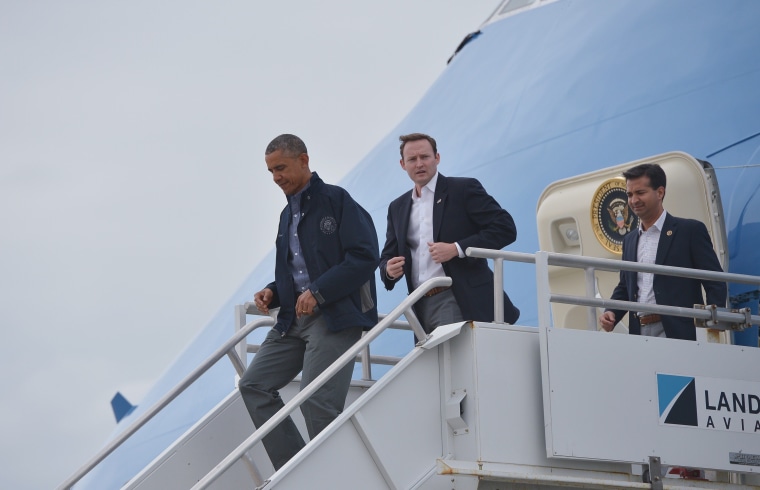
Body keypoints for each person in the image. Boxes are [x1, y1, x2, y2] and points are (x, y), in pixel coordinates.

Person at [238, 134, 379, 470]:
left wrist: (319, 292)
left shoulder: (337, 200)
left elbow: (365, 256)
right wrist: (273, 289)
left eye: (281, 168)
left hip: (336, 316)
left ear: (304, 160)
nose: (276, 178)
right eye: (271, 171)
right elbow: (297, 269)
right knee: (253, 385)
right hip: (292, 320)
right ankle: (298, 470)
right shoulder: (287, 216)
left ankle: (330, 476)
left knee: (317, 400)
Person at [379, 132, 520, 336]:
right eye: (412, 159)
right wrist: (388, 270)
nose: (419, 164)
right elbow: (387, 255)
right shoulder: (397, 207)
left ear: (437, 158)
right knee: (438, 367)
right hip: (419, 305)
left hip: (458, 296)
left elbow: (505, 228)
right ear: (403, 164)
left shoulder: (462, 189)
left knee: (456, 365)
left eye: (425, 157)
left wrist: (457, 248)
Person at [599, 163, 727, 340]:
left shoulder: (689, 231)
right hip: (639, 332)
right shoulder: (629, 240)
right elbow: (625, 286)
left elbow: (714, 279)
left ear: (660, 192)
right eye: (629, 194)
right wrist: (612, 312)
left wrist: (714, 320)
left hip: (680, 331)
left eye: (640, 193)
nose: (634, 200)